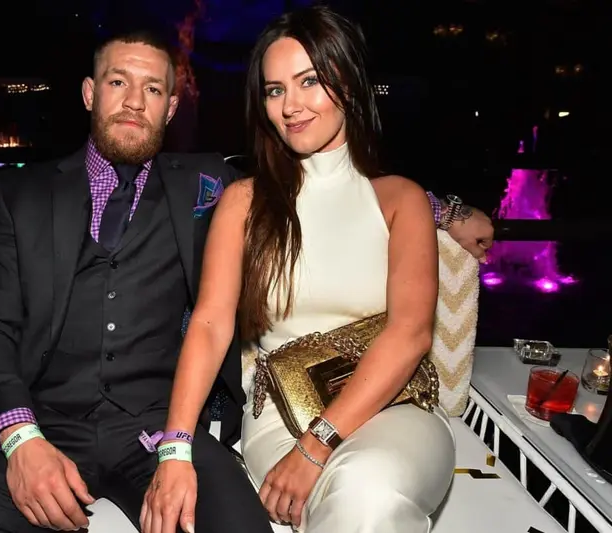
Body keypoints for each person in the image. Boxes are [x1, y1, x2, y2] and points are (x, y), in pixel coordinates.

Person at [0, 26, 490, 533]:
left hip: (155, 429)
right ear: (88, 93)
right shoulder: (21, 194)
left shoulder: (207, 186)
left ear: (171, 107)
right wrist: (20, 439)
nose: (134, 101)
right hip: (41, 423)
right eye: (117, 82)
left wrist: (446, 210)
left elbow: (331, 196)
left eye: (153, 89)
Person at [142, 7, 458, 533]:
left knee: (366, 488)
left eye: (309, 81)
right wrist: (175, 449)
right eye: (274, 90)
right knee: (354, 504)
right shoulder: (244, 202)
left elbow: (410, 333)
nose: (290, 106)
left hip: (393, 409)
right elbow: (210, 324)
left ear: (348, 83)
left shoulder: (401, 200)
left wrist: (317, 445)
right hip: (279, 421)